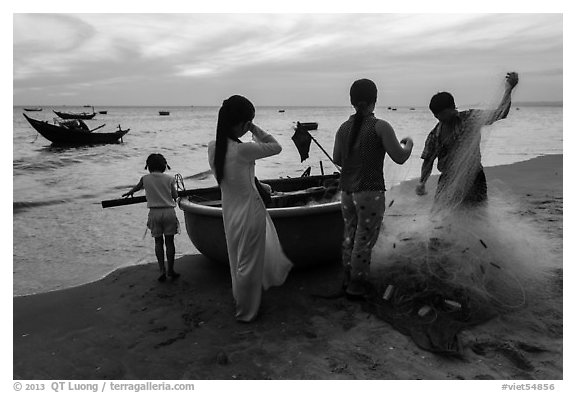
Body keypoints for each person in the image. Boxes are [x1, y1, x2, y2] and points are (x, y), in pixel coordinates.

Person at [207, 95, 293, 322]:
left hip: (230, 212)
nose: (248, 128)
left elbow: (235, 177)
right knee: (249, 265)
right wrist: (254, 127)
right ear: (241, 122)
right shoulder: (243, 150)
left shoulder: (214, 147)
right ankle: (246, 312)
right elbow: (276, 146)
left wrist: (258, 183)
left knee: (237, 261)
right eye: (246, 123)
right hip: (250, 211)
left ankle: (241, 303)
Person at [333, 79, 414, 299]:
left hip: (347, 193)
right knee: (364, 239)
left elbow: (337, 159)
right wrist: (409, 143)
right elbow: (399, 157)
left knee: (351, 235)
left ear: (351, 101)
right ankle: (357, 285)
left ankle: (349, 277)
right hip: (370, 192)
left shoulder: (343, 128)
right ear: (375, 100)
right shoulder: (380, 126)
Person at [416, 72, 519, 208]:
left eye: (442, 114)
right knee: (438, 219)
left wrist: (508, 89)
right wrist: (422, 182)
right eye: (436, 115)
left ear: (452, 109)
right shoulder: (434, 135)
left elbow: (500, 113)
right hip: (447, 180)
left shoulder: (470, 119)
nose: (439, 118)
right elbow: (428, 161)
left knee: (477, 216)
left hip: (474, 178)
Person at [122, 153, 180, 282]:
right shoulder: (170, 179)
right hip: (169, 212)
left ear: (148, 166)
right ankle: (171, 270)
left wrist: (130, 193)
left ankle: (161, 270)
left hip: (154, 213)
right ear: (164, 166)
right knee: (169, 242)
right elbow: (175, 196)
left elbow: (137, 188)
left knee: (158, 242)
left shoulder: (145, 178)